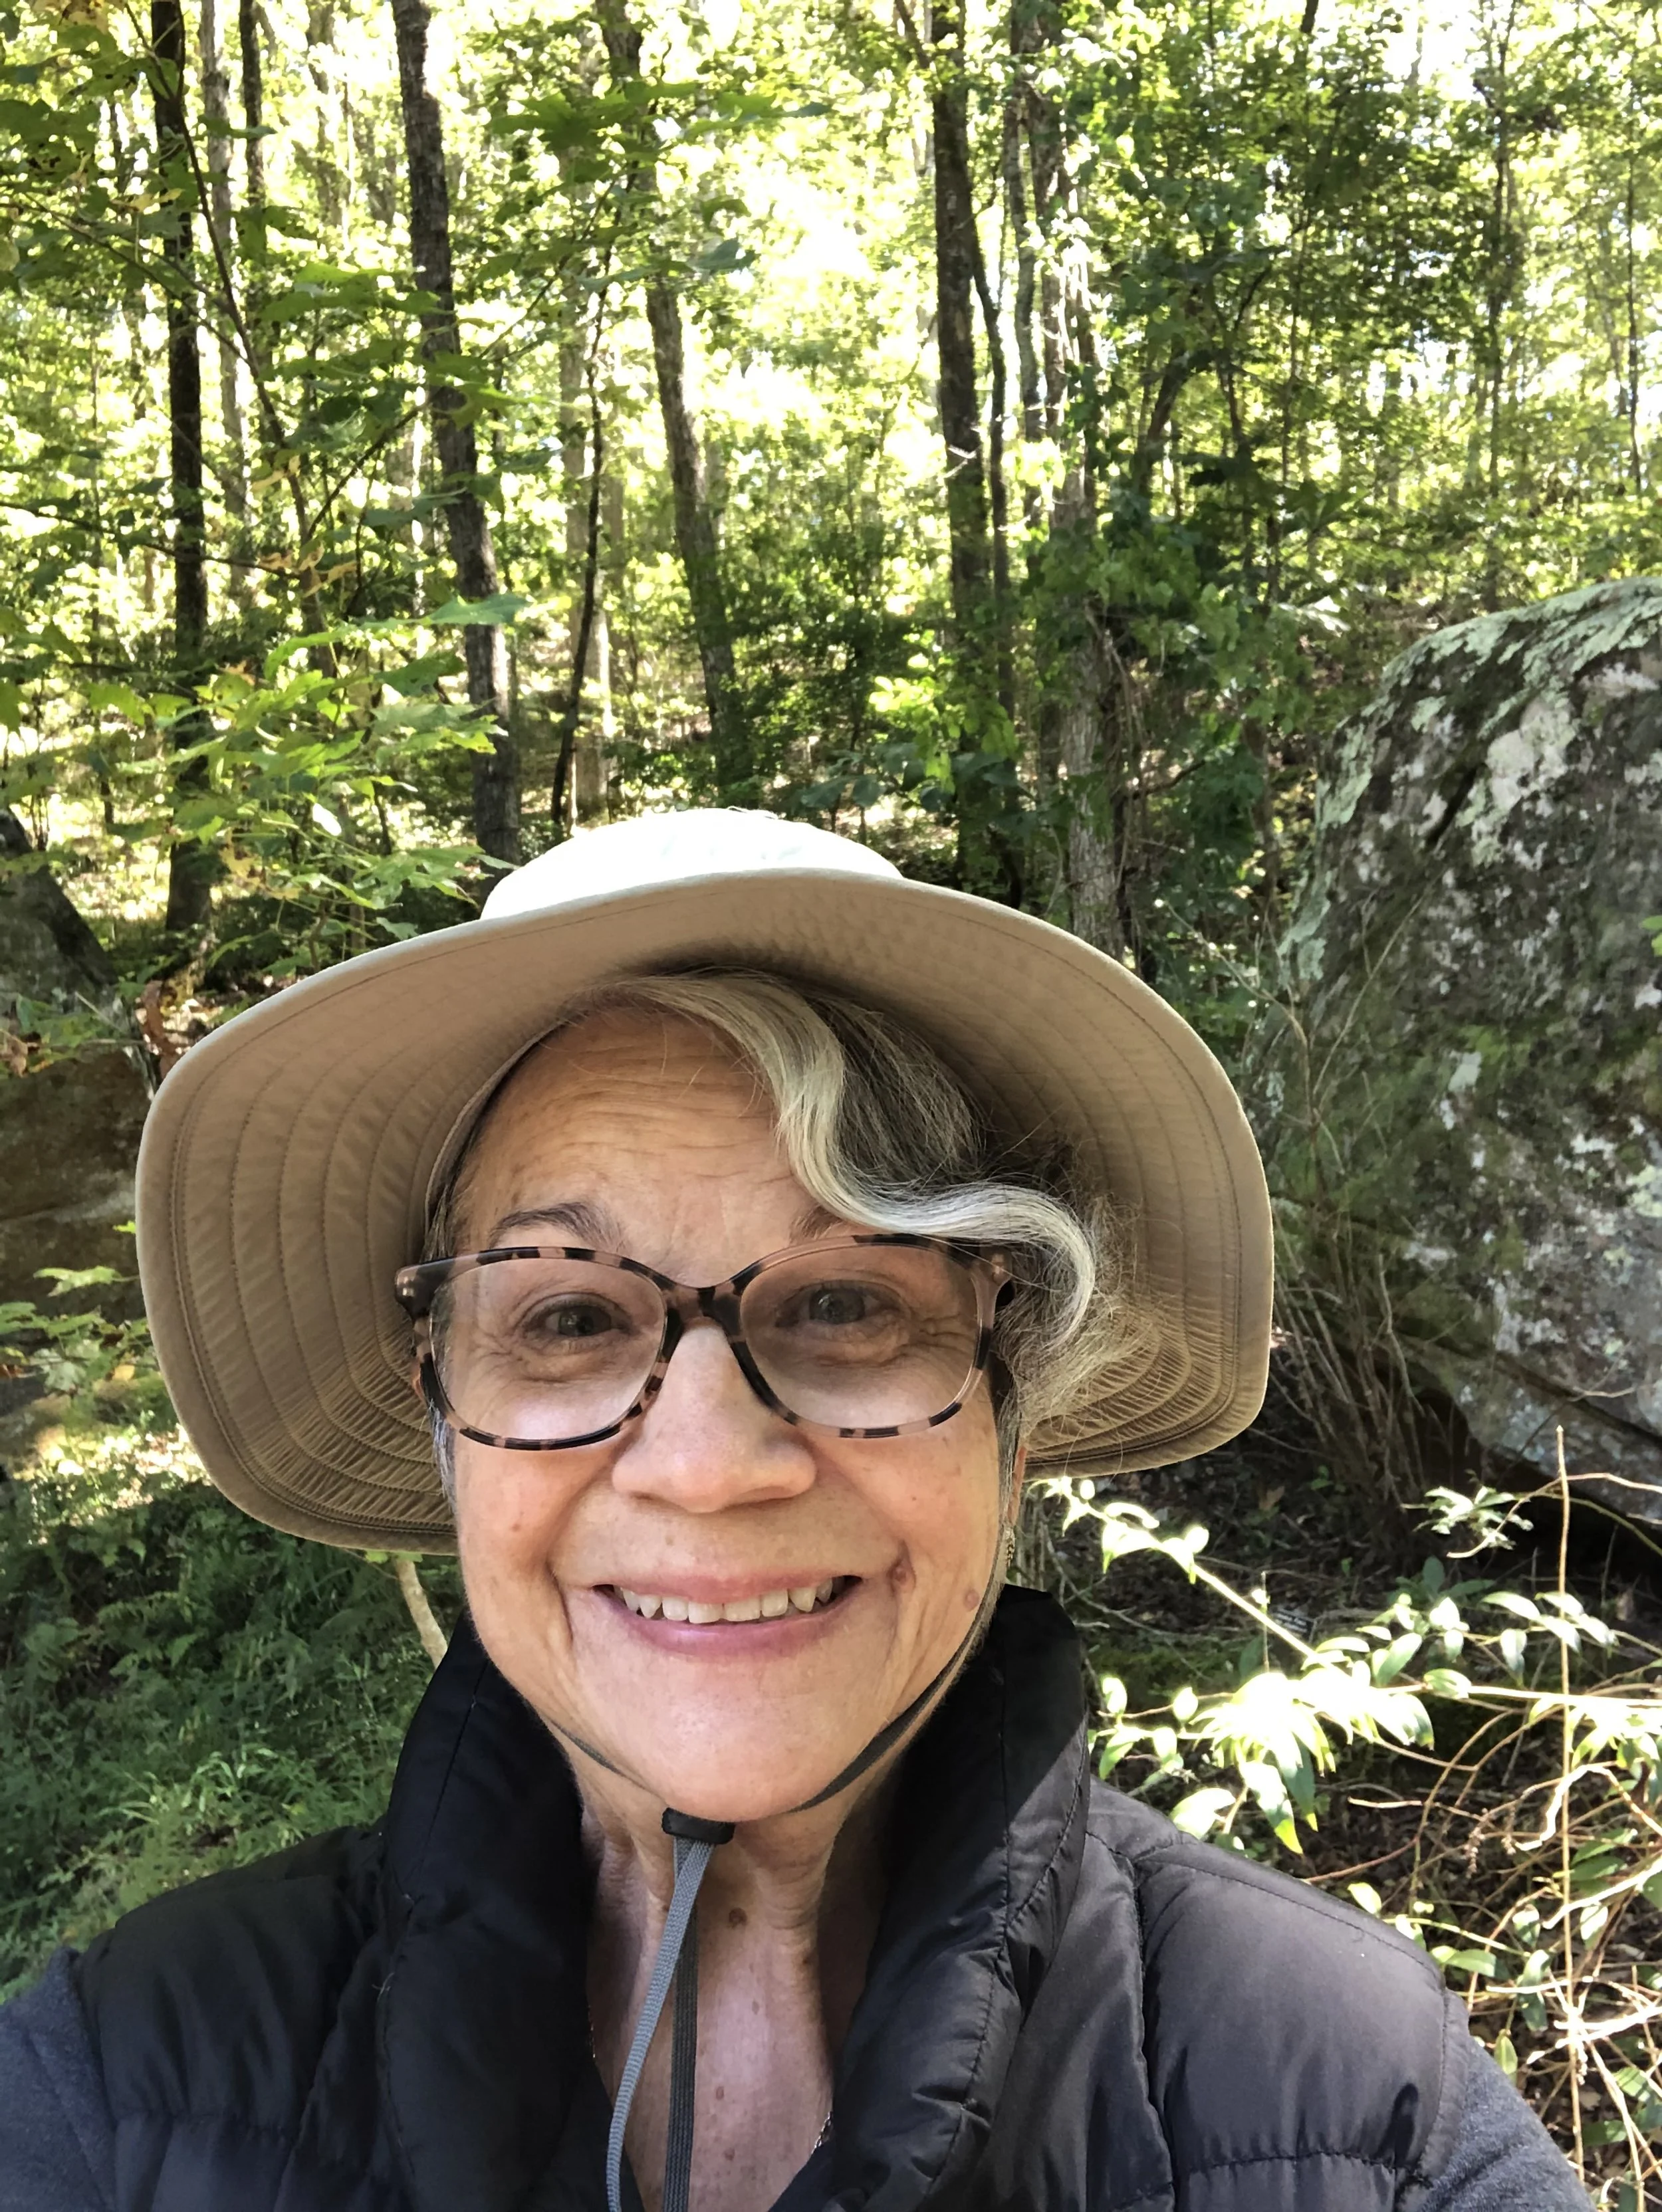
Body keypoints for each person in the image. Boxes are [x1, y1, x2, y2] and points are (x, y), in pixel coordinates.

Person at [1, 810, 1586, 2212]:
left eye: (844, 1301)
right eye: (566, 1315)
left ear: (1008, 1406)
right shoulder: (117, 2086)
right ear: (443, 1413)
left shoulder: (1359, 2112)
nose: (708, 1462)